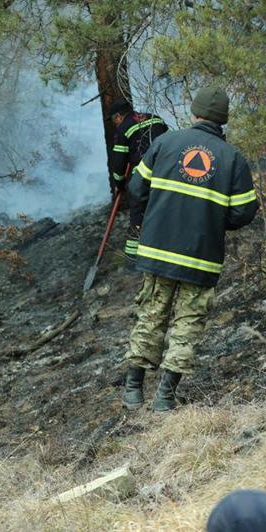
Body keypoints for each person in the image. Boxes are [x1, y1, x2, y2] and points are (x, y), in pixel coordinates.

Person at [122, 87, 258, 411]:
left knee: (150, 316)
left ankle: (133, 389)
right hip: (201, 258)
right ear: (222, 121)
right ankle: (165, 397)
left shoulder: (165, 143)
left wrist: (152, 217)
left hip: (157, 252)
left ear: (195, 113)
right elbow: (244, 212)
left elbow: (136, 188)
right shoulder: (233, 160)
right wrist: (213, 222)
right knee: (188, 325)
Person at [108, 98, 169, 259]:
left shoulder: (123, 129)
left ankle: (132, 256)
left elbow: (119, 162)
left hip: (143, 175)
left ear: (119, 116)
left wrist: (119, 184)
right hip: (167, 171)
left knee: (138, 212)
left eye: (114, 120)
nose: (115, 123)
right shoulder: (155, 118)